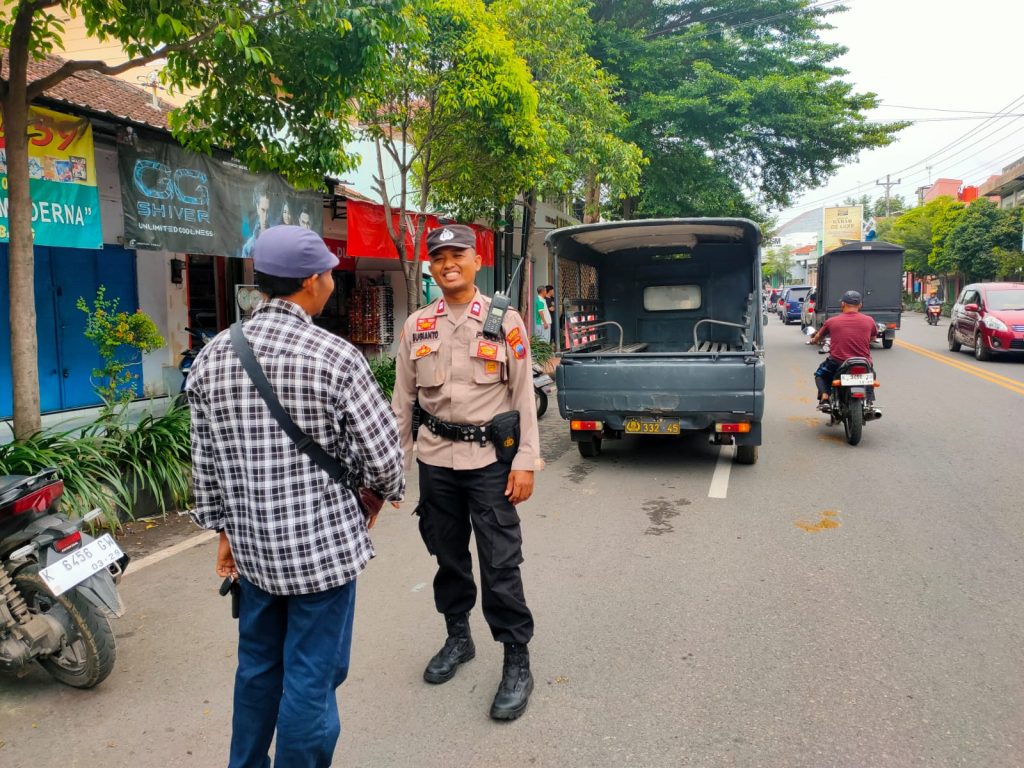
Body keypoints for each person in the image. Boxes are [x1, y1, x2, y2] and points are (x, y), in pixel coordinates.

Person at [186, 225, 405, 767]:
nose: (332, 279)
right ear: (311, 280)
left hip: (255, 555)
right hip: (322, 557)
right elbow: (385, 461)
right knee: (310, 679)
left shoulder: (212, 358)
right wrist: (379, 495)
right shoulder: (336, 356)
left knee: (258, 669)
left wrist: (224, 535)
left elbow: (205, 469)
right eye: (329, 271)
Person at [391, 223, 540, 721]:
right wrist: (395, 469)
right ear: (430, 267)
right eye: (438, 257)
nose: (447, 263)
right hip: (436, 462)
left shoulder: (506, 321)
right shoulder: (418, 325)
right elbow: (403, 403)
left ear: (476, 261)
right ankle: (459, 638)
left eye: (457, 254)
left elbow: (523, 397)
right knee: (448, 557)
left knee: (500, 564)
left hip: (489, 464)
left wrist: (525, 462)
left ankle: (516, 658)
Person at [807, 290, 877, 411]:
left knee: (820, 375)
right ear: (860, 305)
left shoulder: (832, 321)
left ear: (843, 304)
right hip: (863, 362)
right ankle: (869, 401)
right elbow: (873, 338)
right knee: (871, 375)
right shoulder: (869, 320)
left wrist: (813, 341)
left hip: (838, 362)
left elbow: (818, 337)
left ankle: (824, 398)